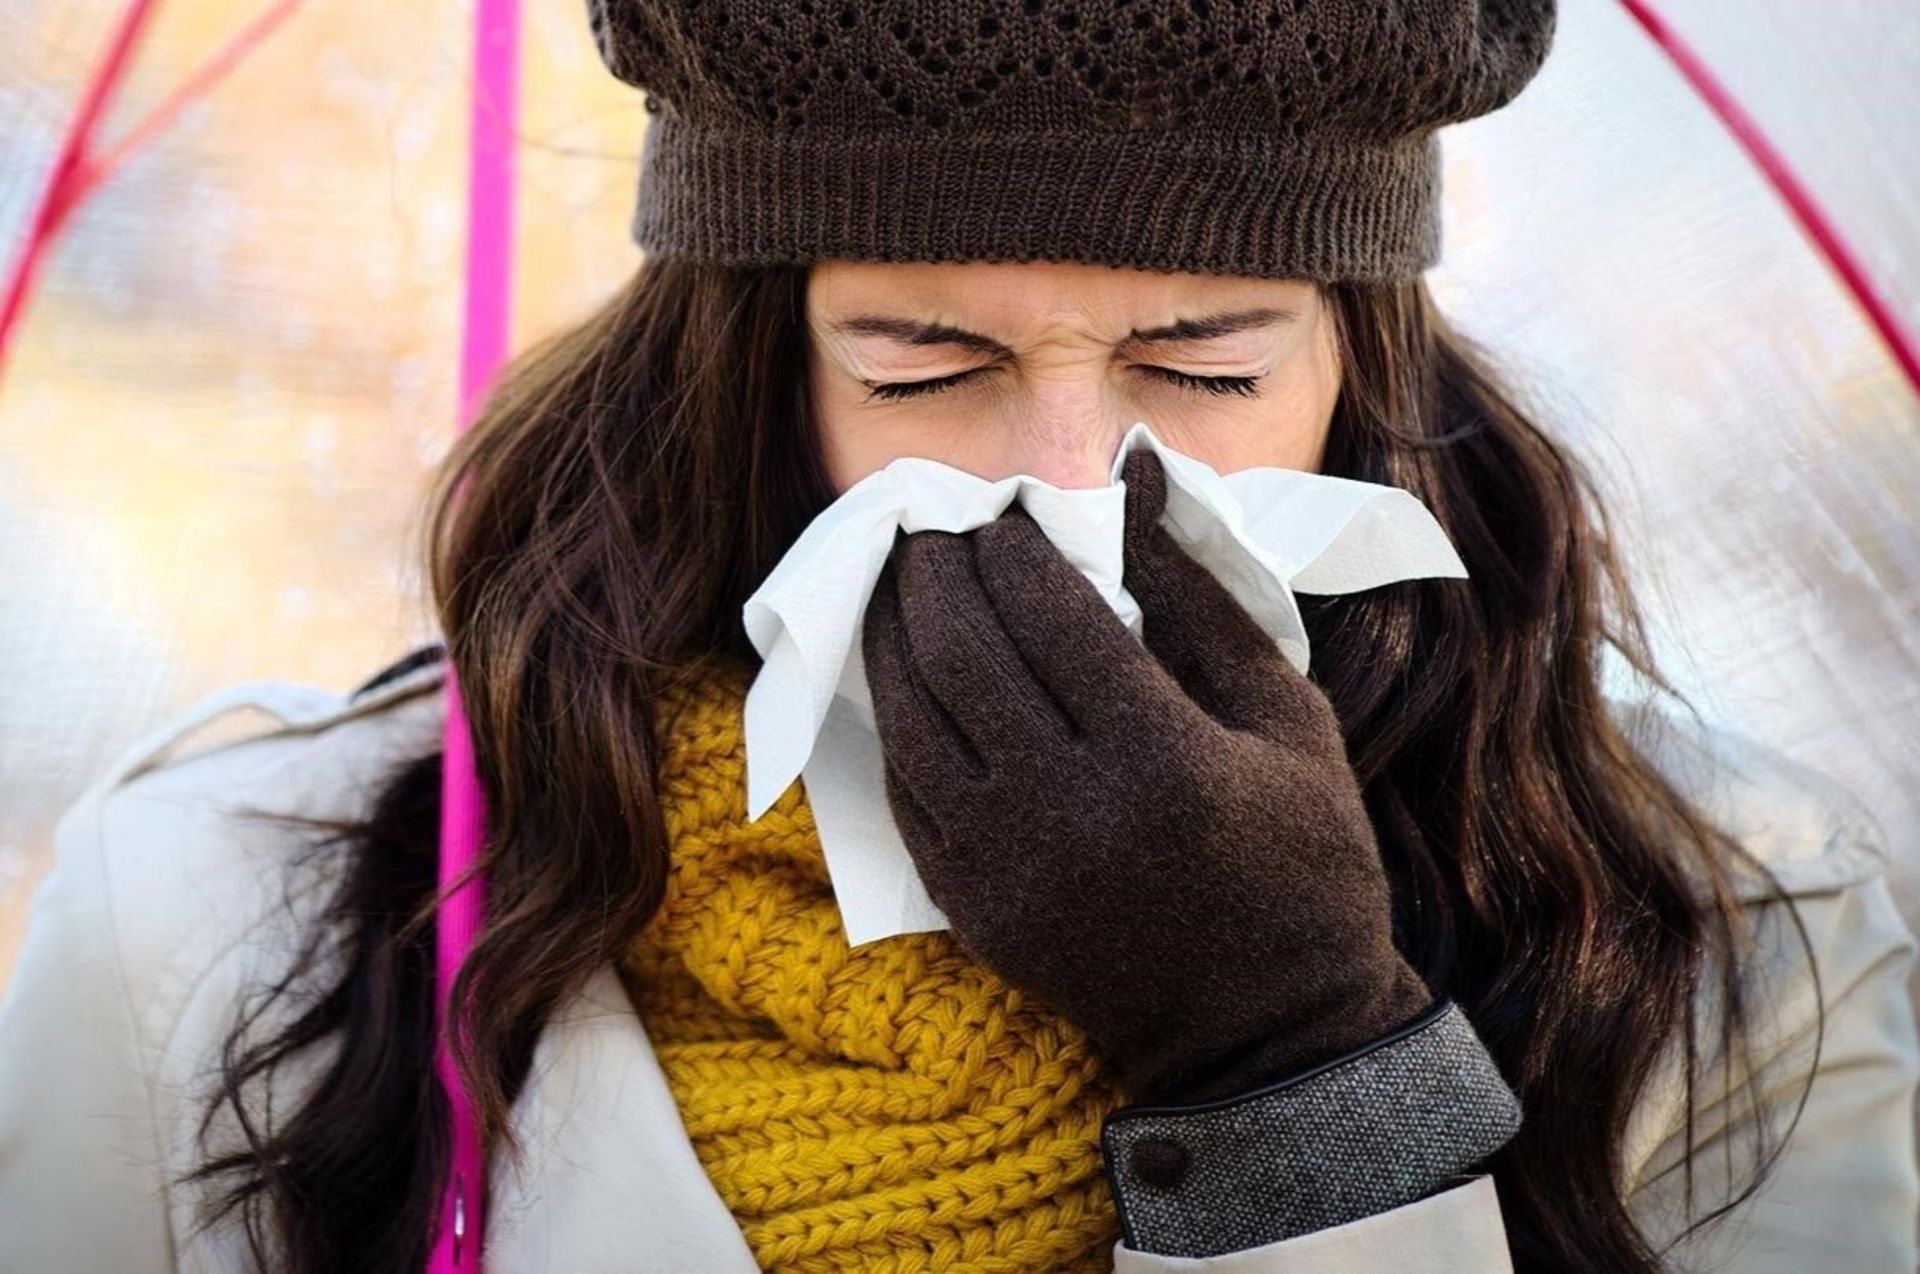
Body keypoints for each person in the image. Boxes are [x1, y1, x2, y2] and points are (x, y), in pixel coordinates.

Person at [1, 0, 1915, 1270]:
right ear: (756, 379)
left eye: (1206, 363)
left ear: (1363, 364)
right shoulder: (224, 915)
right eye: (928, 363)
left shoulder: (1732, 931)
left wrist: (1307, 1072)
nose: (1072, 484)